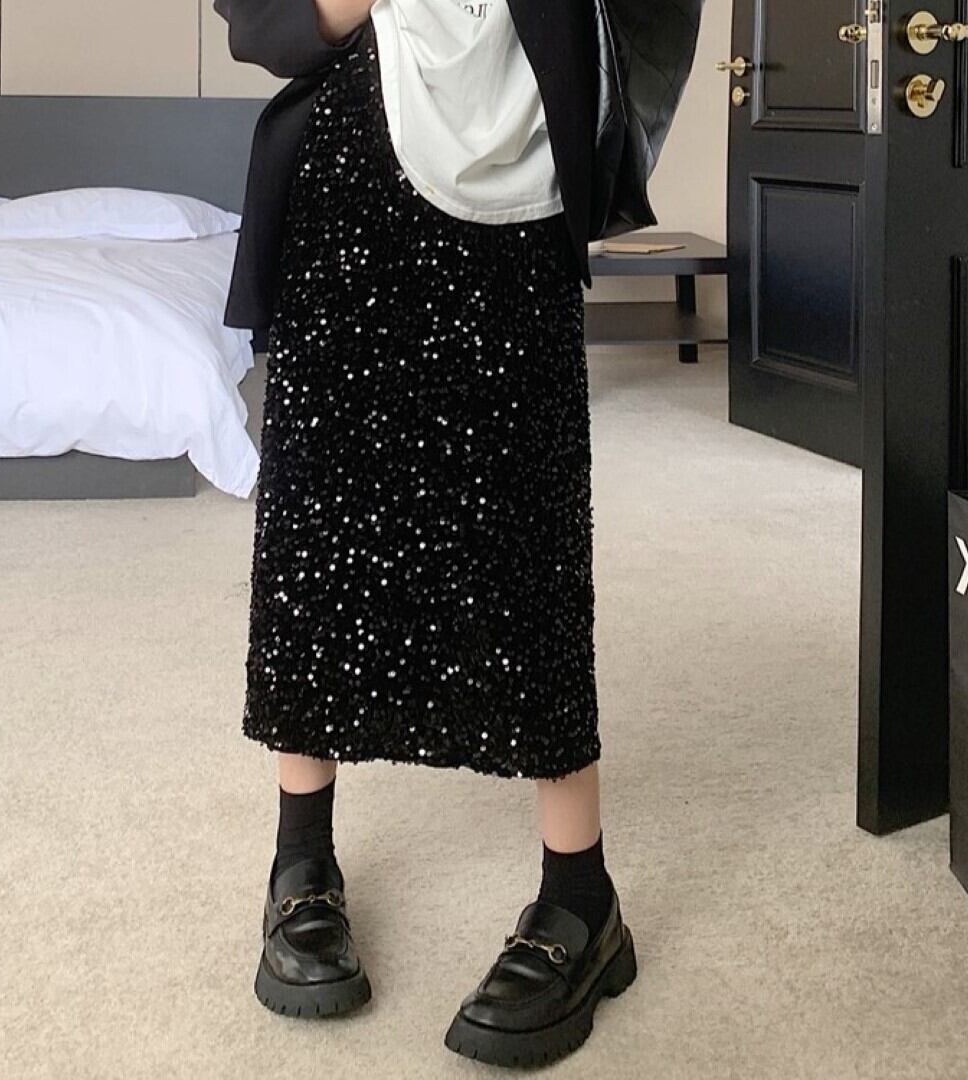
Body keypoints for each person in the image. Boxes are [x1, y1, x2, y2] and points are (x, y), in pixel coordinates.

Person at [212, 0, 698, 1067]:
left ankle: (580, 894)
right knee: (319, 534)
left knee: (532, 539)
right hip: (347, 172)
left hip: (524, 171)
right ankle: (301, 861)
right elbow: (256, 16)